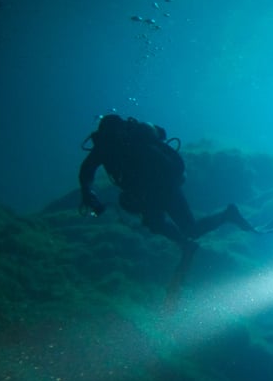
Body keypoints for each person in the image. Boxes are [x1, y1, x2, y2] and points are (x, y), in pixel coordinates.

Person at [79, 113, 263, 303]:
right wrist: (87, 191)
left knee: (189, 229)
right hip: (150, 191)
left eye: (114, 133)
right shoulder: (107, 147)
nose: (114, 137)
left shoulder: (131, 142)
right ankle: (186, 244)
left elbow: (157, 167)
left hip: (163, 187)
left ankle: (227, 215)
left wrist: (90, 191)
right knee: (155, 224)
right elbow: (87, 170)